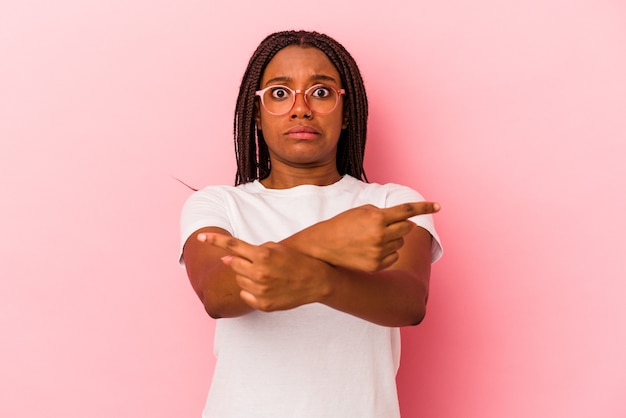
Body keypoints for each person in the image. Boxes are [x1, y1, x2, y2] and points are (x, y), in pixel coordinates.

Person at [179, 30, 443, 418]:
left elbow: (408, 303)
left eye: (321, 92)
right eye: (280, 94)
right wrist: (324, 241)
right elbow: (219, 296)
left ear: (346, 110)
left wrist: (322, 283)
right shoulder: (219, 204)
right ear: (256, 113)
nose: (301, 108)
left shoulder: (391, 203)